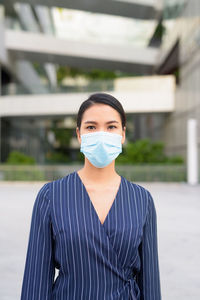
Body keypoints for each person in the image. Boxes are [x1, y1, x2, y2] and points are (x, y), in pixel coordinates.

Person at [20, 92, 162, 300]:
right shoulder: (51, 196)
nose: (101, 134)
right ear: (79, 135)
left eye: (111, 127)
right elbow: (36, 282)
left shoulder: (142, 200)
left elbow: (150, 283)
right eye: (91, 127)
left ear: (122, 134)